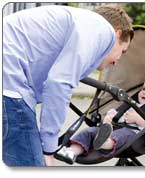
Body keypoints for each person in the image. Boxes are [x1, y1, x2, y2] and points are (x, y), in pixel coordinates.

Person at [2, 4, 134, 166]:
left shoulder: (76, 22)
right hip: (9, 84)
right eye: (123, 51)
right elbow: (59, 83)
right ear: (117, 34)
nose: (116, 62)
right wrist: (48, 148)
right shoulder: (103, 30)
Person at [57, 76, 145, 164]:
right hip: (115, 128)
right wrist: (110, 117)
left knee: (121, 135)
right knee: (90, 131)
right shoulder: (132, 105)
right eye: (143, 89)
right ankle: (72, 151)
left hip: (134, 136)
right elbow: (120, 117)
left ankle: (106, 142)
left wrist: (137, 119)